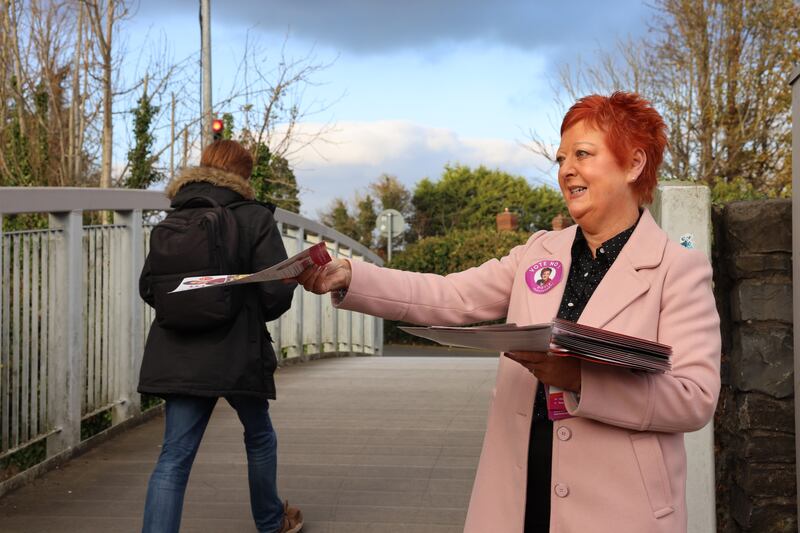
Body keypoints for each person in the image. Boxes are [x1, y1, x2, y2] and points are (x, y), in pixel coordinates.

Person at [294, 92, 721, 533]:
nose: (566, 169)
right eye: (561, 158)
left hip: (620, 508)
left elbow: (695, 398)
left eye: (583, 154)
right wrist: (351, 275)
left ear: (633, 164)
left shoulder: (678, 270)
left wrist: (579, 379)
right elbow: (451, 295)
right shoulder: (538, 250)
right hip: (518, 493)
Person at [138, 140, 304, 533]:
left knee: (174, 458)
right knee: (259, 435)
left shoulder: (175, 217)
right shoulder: (253, 217)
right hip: (237, 352)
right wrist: (248, 312)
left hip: (179, 351)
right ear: (243, 175)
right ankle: (269, 521)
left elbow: (149, 289)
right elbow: (276, 291)